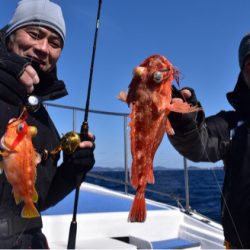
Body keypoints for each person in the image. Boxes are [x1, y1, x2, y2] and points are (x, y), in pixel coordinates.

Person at [0, 0, 95, 248]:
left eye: (55, 43)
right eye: (34, 34)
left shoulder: (41, 117)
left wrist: (71, 173)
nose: (43, 48)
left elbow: (36, 201)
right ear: (10, 35)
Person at [168, 33, 250, 249]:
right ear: (243, 74)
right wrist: (185, 120)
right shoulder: (230, 124)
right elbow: (200, 143)